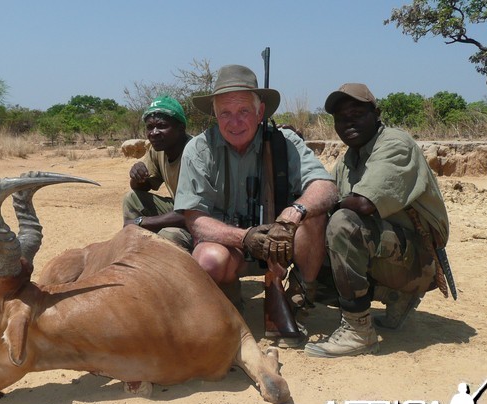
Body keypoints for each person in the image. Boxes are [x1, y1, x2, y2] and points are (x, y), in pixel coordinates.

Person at [173, 64, 338, 324]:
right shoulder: (197, 149)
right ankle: (227, 296)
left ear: (260, 111)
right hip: (231, 248)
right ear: (214, 115)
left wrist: (291, 215)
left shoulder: (284, 142)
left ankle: (299, 295)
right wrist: (245, 237)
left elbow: (326, 187)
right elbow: (195, 219)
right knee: (209, 259)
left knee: (314, 215)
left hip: (282, 246)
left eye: (244, 111)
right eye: (225, 113)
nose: (234, 122)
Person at [304, 83, 450, 358]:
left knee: (341, 225)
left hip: (421, 260)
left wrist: (315, 208)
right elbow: (327, 191)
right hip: (396, 253)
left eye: (357, 113)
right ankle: (396, 297)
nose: (348, 121)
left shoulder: (395, 143)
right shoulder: (350, 158)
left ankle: (359, 332)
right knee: (315, 234)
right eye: (340, 117)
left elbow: (363, 203)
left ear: (376, 113)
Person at [122, 95, 193, 250]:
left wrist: (140, 222)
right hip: (180, 208)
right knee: (131, 198)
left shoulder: (195, 153)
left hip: (203, 218)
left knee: (169, 235)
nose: (154, 133)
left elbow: (188, 214)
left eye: (161, 126)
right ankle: (135, 251)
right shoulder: (158, 150)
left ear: (181, 129)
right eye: (149, 127)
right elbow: (141, 188)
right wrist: (137, 176)